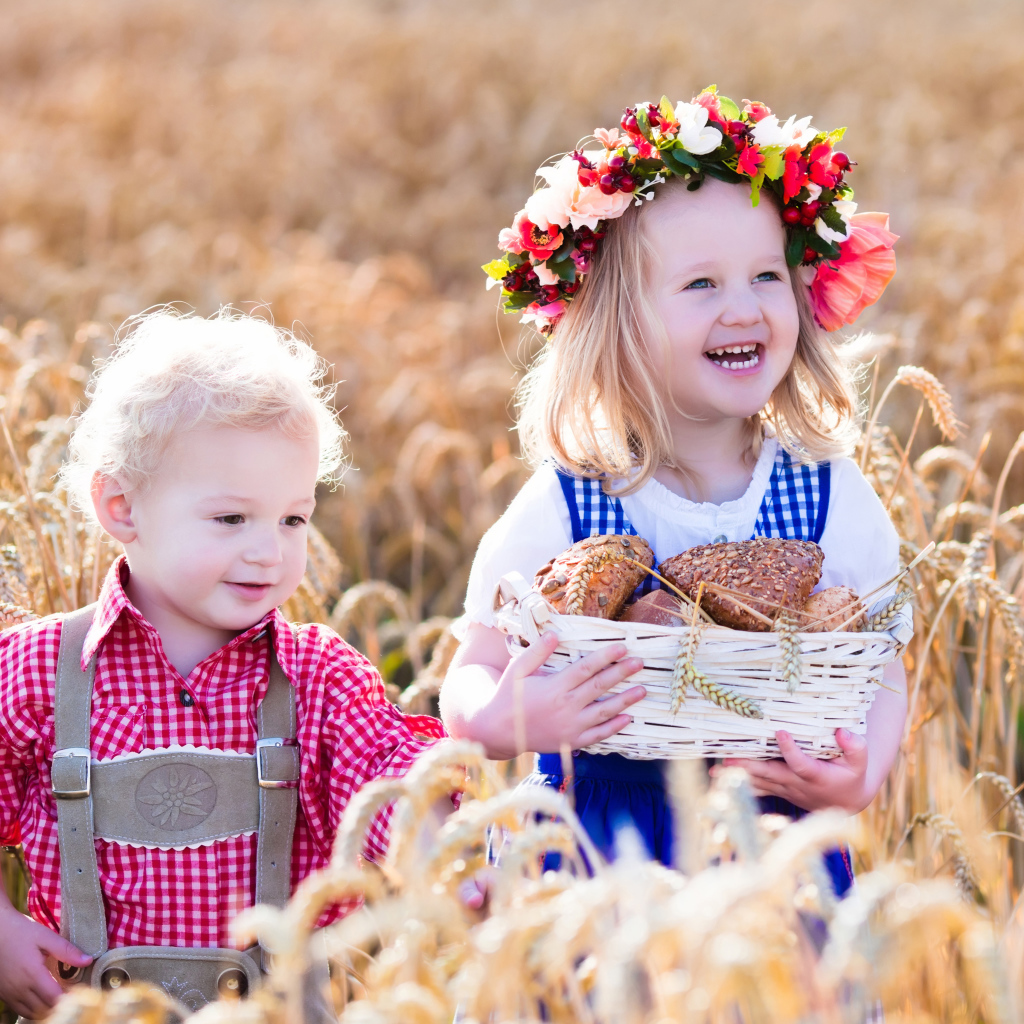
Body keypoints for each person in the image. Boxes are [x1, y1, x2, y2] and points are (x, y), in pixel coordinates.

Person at [440, 89, 909, 888]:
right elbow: (474, 663)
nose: (744, 309)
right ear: (616, 322)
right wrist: (500, 719)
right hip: (596, 841)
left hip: (772, 834)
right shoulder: (574, 501)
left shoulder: (827, 491)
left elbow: (881, 661)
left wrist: (862, 770)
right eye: (701, 285)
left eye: (766, 276)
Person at [0, 311, 448, 1020]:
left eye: (293, 519)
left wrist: (445, 855)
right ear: (122, 507)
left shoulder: (318, 678)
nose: (269, 551)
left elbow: (391, 783)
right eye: (232, 519)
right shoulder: (35, 672)